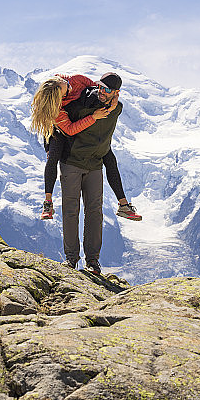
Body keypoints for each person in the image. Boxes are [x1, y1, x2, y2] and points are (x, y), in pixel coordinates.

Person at [30, 73, 141, 222]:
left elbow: (96, 88)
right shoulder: (57, 107)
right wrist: (93, 117)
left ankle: (123, 205)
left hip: (79, 121)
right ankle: (48, 203)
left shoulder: (75, 80)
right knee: (53, 157)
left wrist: (112, 102)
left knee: (108, 156)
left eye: (66, 84)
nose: (69, 88)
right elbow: (69, 129)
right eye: (66, 91)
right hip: (60, 127)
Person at [57, 73, 125, 272]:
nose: (102, 92)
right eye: (100, 87)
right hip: (71, 162)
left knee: (95, 212)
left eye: (107, 90)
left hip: (95, 165)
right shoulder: (82, 101)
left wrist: (110, 107)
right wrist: (93, 116)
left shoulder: (116, 109)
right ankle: (71, 259)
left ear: (116, 93)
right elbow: (68, 125)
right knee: (71, 211)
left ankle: (92, 261)